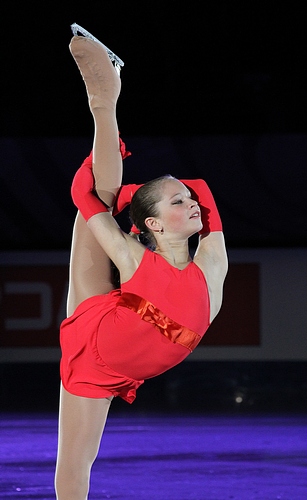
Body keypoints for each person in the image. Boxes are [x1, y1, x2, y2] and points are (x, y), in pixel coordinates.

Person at [54, 32, 228, 500]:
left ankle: (107, 103)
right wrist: (124, 201)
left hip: (106, 357)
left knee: (74, 466)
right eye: (179, 202)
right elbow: (86, 202)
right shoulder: (134, 256)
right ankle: (104, 103)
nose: (193, 204)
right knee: (101, 196)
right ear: (152, 223)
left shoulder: (211, 264)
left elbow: (203, 187)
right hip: (100, 331)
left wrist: (145, 199)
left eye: (187, 202)